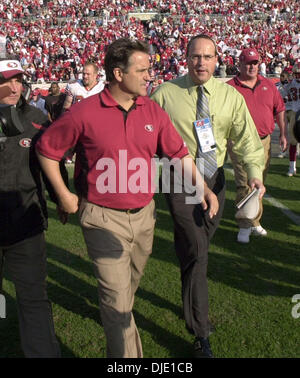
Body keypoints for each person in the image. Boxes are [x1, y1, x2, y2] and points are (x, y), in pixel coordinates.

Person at [35, 38, 218, 358]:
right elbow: (46, 149)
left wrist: (202, 187)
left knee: (124, 296)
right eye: (143, 70)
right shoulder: (83, 113)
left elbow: (178, 153)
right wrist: (63, 195)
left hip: (145, 217)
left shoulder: (153, 111)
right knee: (118, 307)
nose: (150, 75)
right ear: (118, 74)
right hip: (101, 217)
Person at [151, 34, 265, 357]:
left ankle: (191, 313)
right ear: (185, 58)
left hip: (216, 182)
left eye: (208, 56)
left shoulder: (230, 97)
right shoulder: (165, 94)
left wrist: (255, 175)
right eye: (195, 56)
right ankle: (201, 335)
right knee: (198, 250)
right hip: (179, 181)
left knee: (193, 253)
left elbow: (247, 140)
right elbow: (144, 136)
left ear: (217, 60)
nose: (201, 62)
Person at [0, 57, 62, 357]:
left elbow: (50, 164)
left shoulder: (37, 118)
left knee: (33, 297)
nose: (14, 87)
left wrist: (60, 196)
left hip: (26, 221)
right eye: (6, 80)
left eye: (19, 80)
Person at [226, 48, 287, 243]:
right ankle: (245, 226)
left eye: (255, 63)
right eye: (248, 63)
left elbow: (280, 110)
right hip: (240, 142)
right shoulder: (229, 87)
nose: (252, 66)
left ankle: (254, 221)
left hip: (265, 140)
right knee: (245, 182)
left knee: (259, 184)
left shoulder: (269, 85)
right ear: (240, 64)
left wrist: (284, 133)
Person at [280, 62, 300, 176]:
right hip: (294, 113)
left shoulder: (289, 84)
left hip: (295, 112)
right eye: (297, 74)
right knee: (293, 141)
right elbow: (282, 95)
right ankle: (292, 167)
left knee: (294, 141)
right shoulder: (289, 84)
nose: (298, 77)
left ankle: (292, 168)